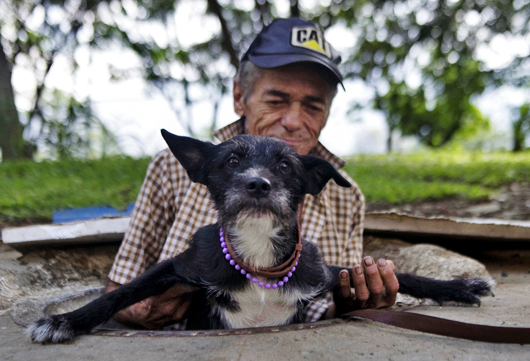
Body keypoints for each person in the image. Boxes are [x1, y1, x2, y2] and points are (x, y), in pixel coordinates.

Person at [105, 18, 399, 330]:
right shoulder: (173, 168)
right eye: (276, 101)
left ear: (328, 112)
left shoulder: (345, 194)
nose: (293, 121)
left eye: (313, 107)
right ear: (239, 97)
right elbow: (119, 291)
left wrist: (354, 303)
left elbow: (326, 313)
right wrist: (150, 308)